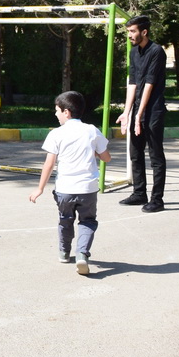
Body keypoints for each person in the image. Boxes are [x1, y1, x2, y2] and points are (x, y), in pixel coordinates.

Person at [28, 91, 111, 276]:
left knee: (65, 220)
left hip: (64, 189)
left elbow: (49, 163)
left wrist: (40, 188)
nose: (55, 114)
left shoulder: (56, 134)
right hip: (87, 189)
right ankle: (82, 254)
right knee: (87, 221)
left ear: (67, 112)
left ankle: (64, 252)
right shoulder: (92, 130)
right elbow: (107, 157)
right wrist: (96, 153)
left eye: (57, 110)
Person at [116, 15, 167, 213]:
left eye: (133, 31)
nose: (129, 35)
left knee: (155, 156)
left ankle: (157, 199)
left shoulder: (157, 51)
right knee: (135, 153)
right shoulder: (133, 52)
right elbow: (133, 83)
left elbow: (149, 84)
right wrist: (127, 112)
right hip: (138, 108)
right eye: (128, 31)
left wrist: (140, 116)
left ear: (144, 32)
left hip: (153, 110)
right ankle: (139, 193)